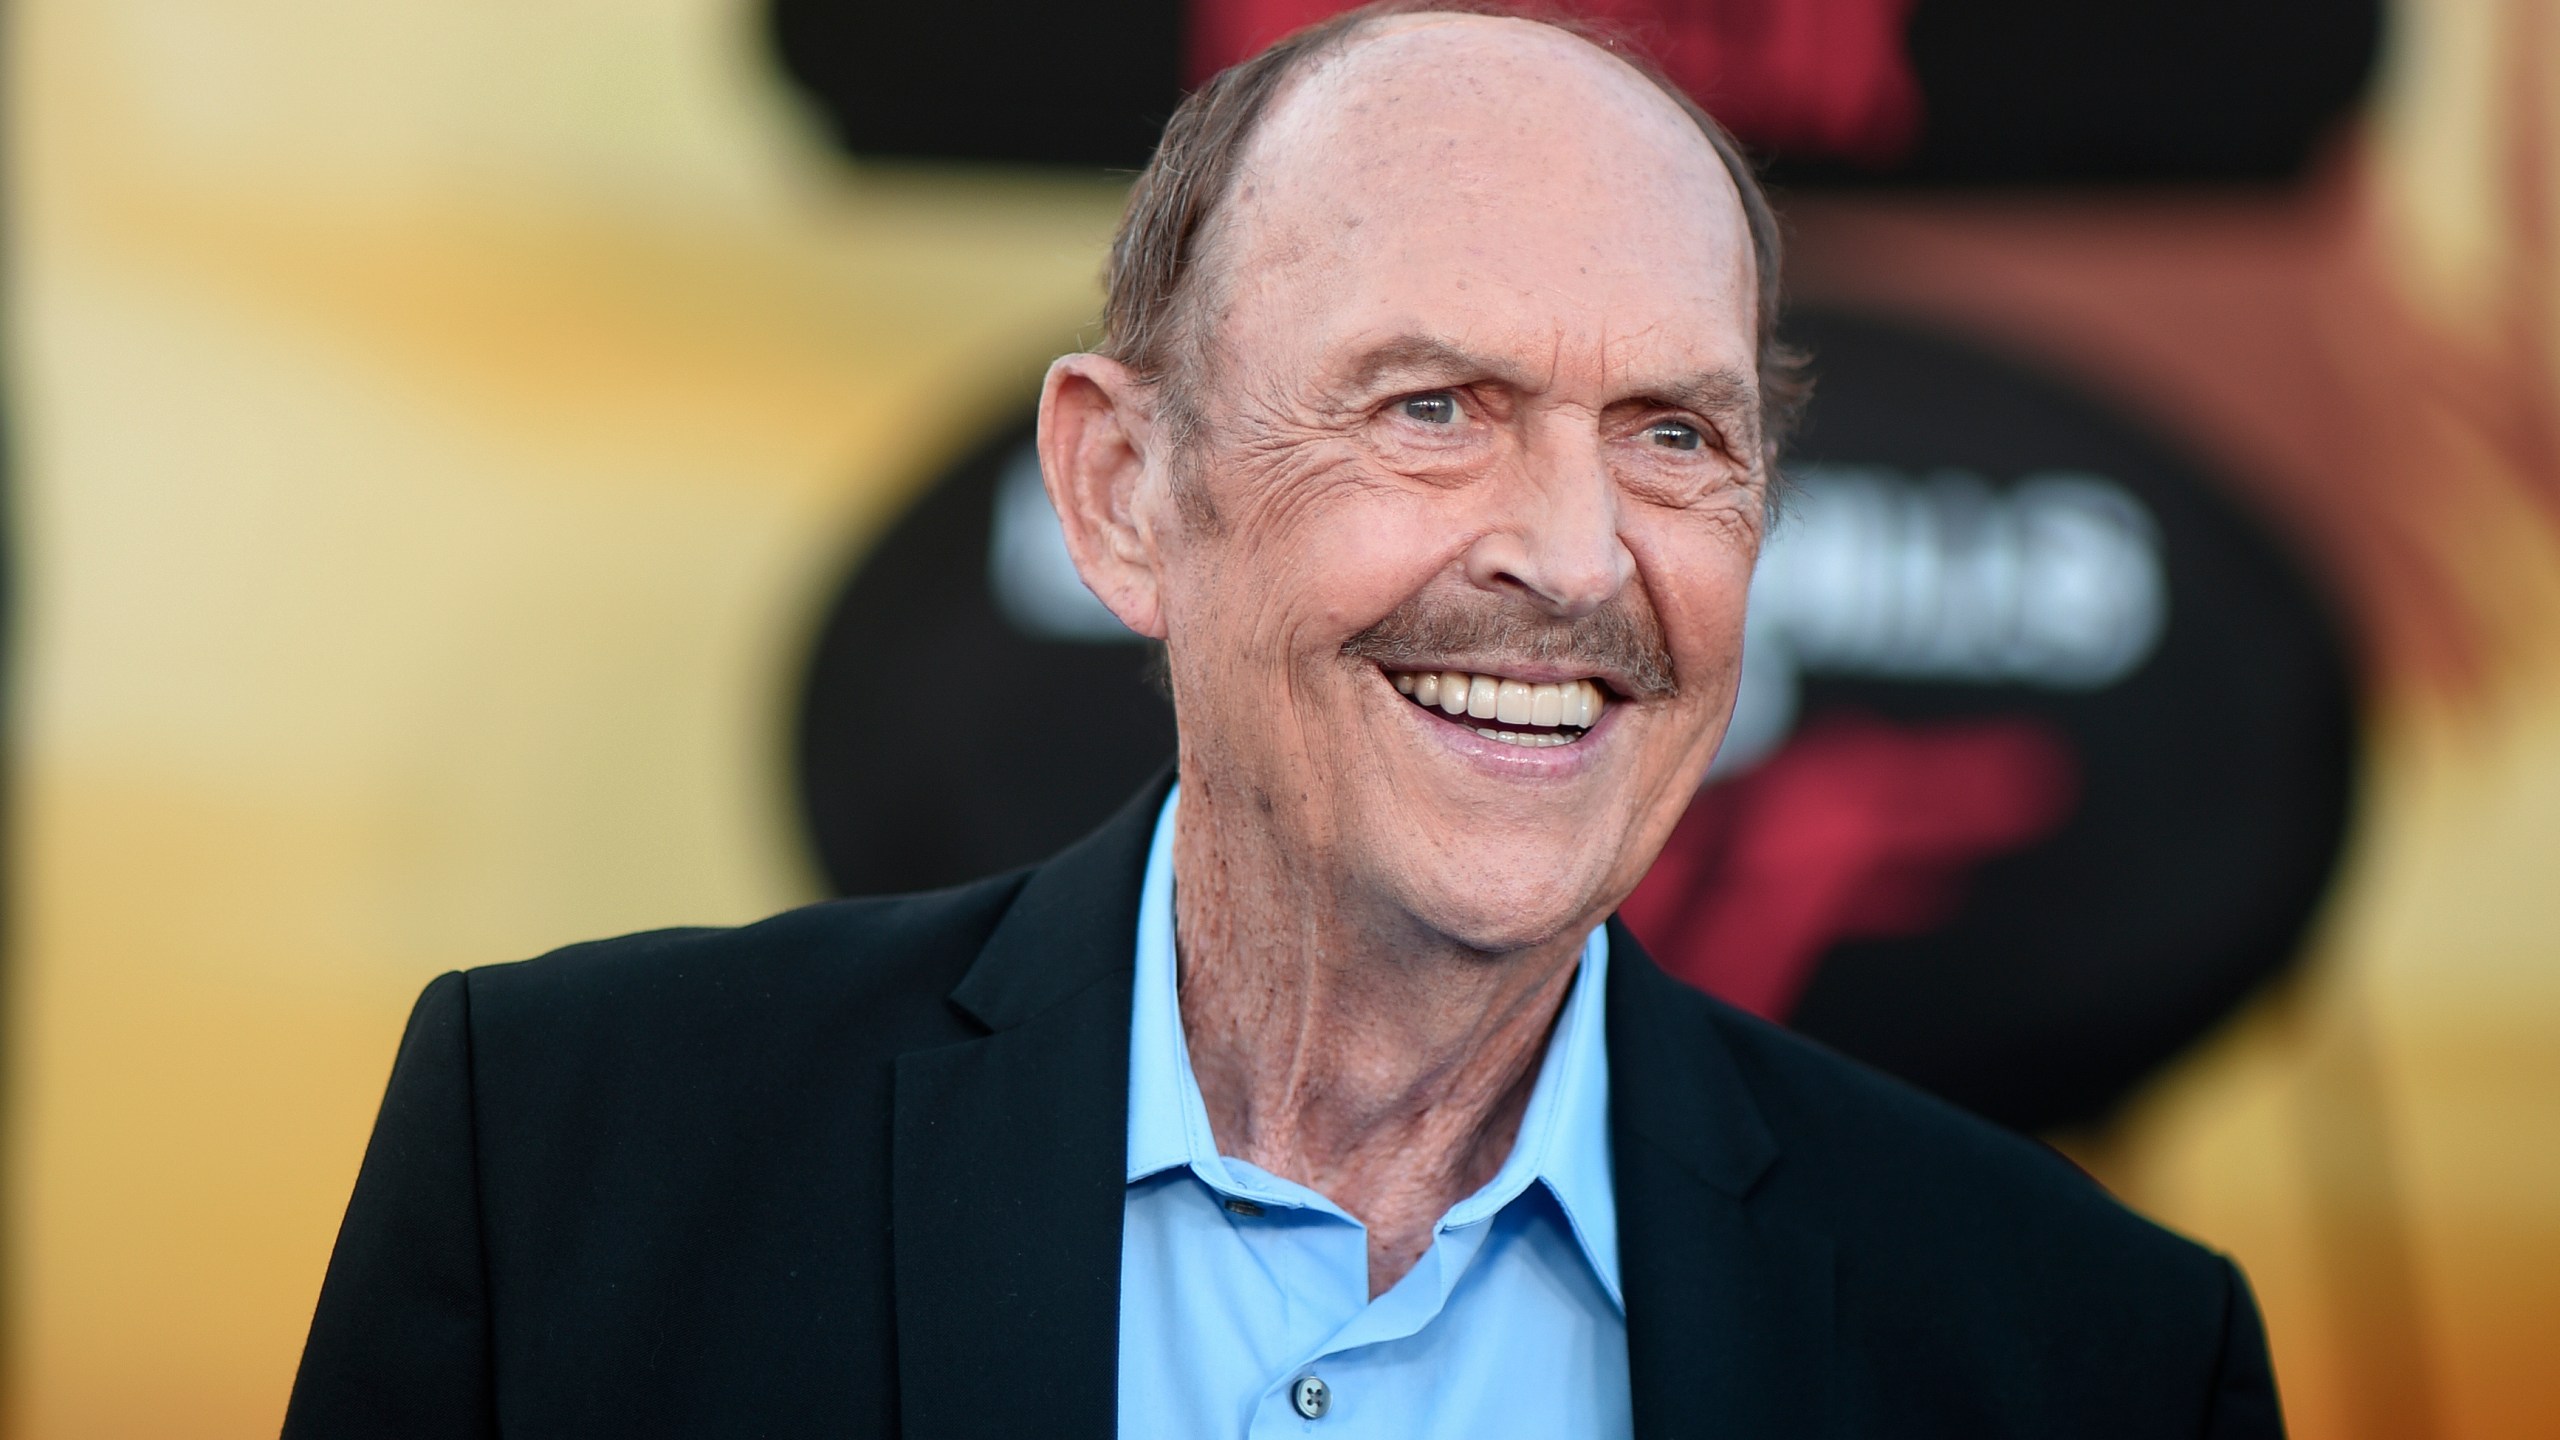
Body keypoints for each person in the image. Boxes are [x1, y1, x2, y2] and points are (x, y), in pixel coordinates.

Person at [283, 5, 2284, 1436]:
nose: (1576, 558)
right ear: (1122, 491)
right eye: (1432, 409)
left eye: (1673, 435)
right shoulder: (570, 1169)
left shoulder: (2084, 1357)